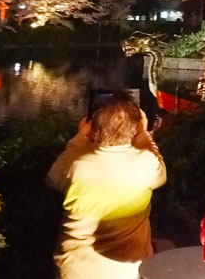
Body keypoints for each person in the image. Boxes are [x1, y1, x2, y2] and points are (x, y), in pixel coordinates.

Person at [47, 93, 167, 279]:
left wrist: (80, 137)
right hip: (127, 271)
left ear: (93, 130)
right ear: (134, 130)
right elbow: (160, 172)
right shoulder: (147, 164)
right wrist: (143, 133)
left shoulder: (76, 164)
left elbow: (52, 179)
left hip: (73, 270)